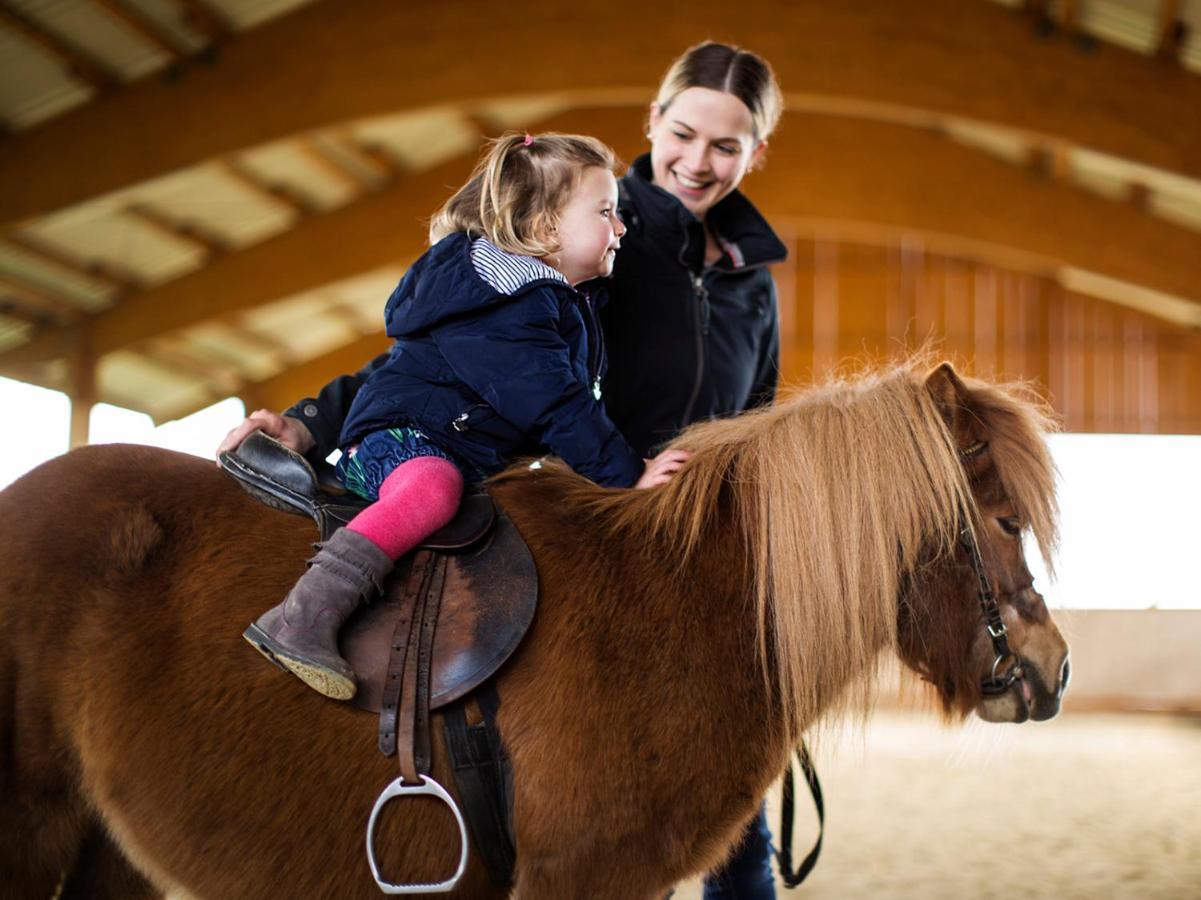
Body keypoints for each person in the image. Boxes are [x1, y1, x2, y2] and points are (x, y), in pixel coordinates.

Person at [218, 41, 786, 900]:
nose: (697, 161)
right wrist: (306, 422)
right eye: (682, 133)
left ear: (756, 153)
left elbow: (761, 424)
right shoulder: (584, 231)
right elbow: (429, 360)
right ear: (652, 124)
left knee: (736, 817)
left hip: (693, 555)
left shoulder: (751, 284)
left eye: (725, 145)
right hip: (602, 517)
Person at [239, 132, 690, 703]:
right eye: (605, 212)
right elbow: (553, 401)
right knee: (432, 491)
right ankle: (303, 616)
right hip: (402, 441)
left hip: (452, 439)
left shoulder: (556, 302)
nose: (620, 227)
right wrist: (628, 474)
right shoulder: (508, 303)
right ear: (548, 228)